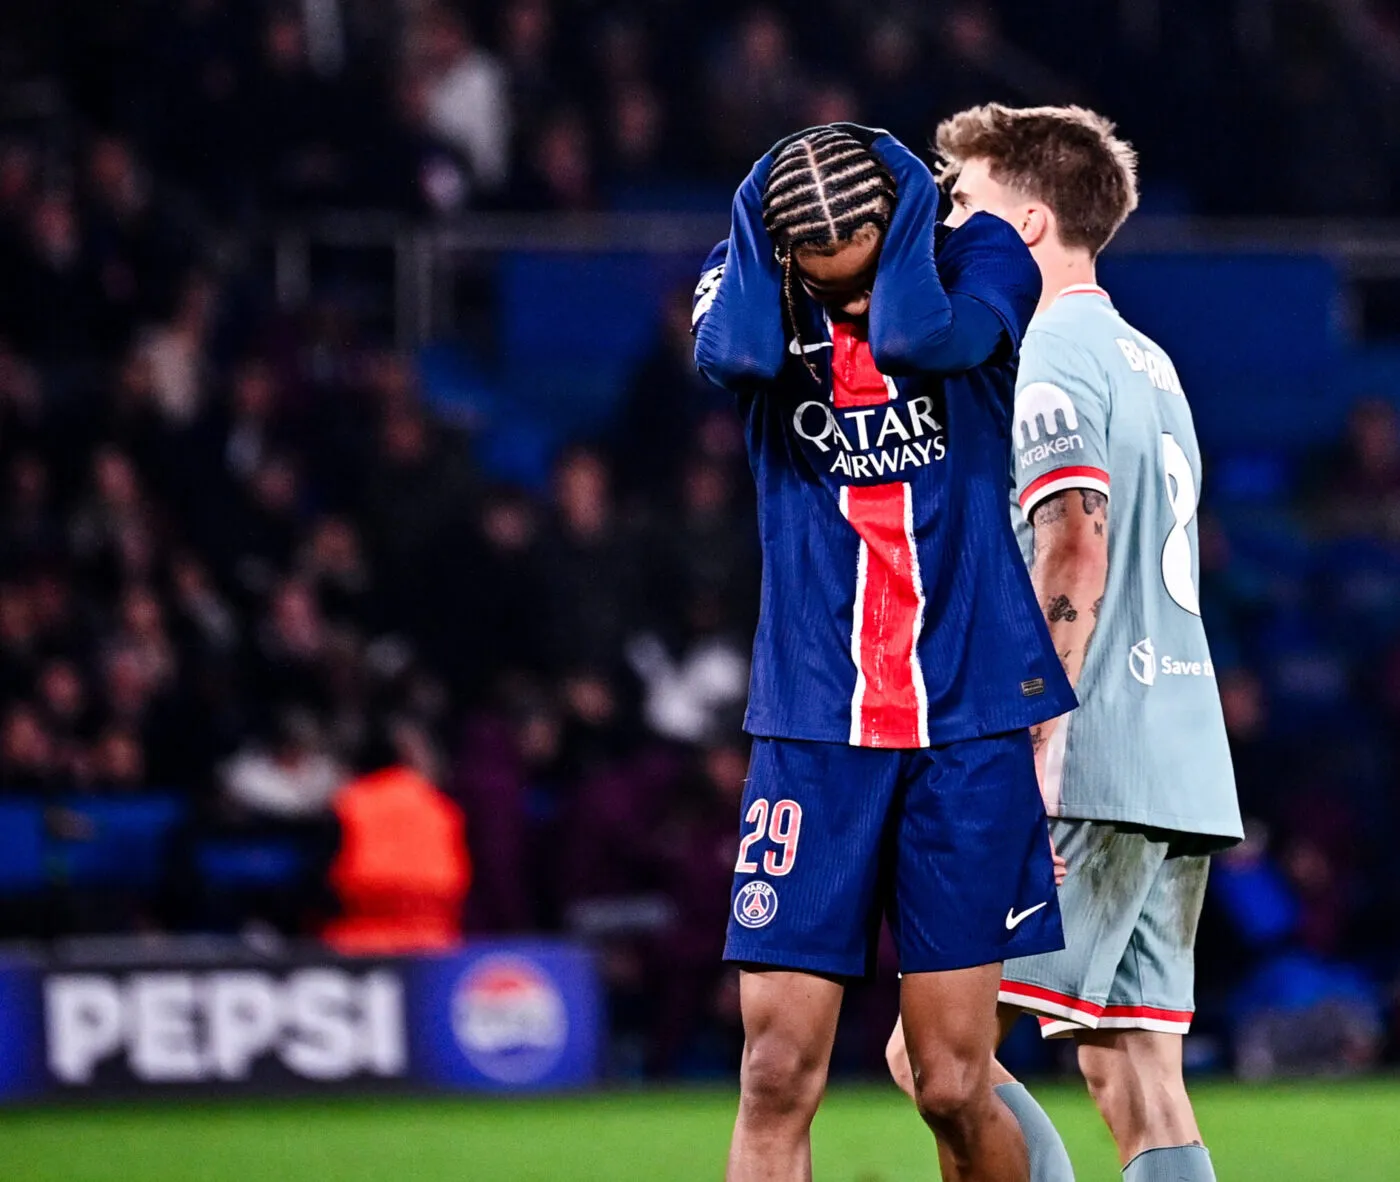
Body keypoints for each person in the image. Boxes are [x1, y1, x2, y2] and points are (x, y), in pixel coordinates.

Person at [693, 123, 1075, 1182]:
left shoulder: (982, 256)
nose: (854, 307)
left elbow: (921, 339)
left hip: (966, 724)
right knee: (774, 1070)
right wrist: (756, 202)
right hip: (815, 724)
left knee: (952, 1082)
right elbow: (735, 358)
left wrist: (897, 195)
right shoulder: (747, 281)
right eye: (831, 288)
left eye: (864, 279)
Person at [885, 105, 1245, 1182]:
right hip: (1176, 756)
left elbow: (1074, 546)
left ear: (1030, 223)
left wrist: (1032, 736)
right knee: (1134, 1071)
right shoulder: (1149, 361)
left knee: (933, 1056)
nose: (949, 226)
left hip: (1081, 756)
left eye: (966, 202)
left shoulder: (1041, 349)